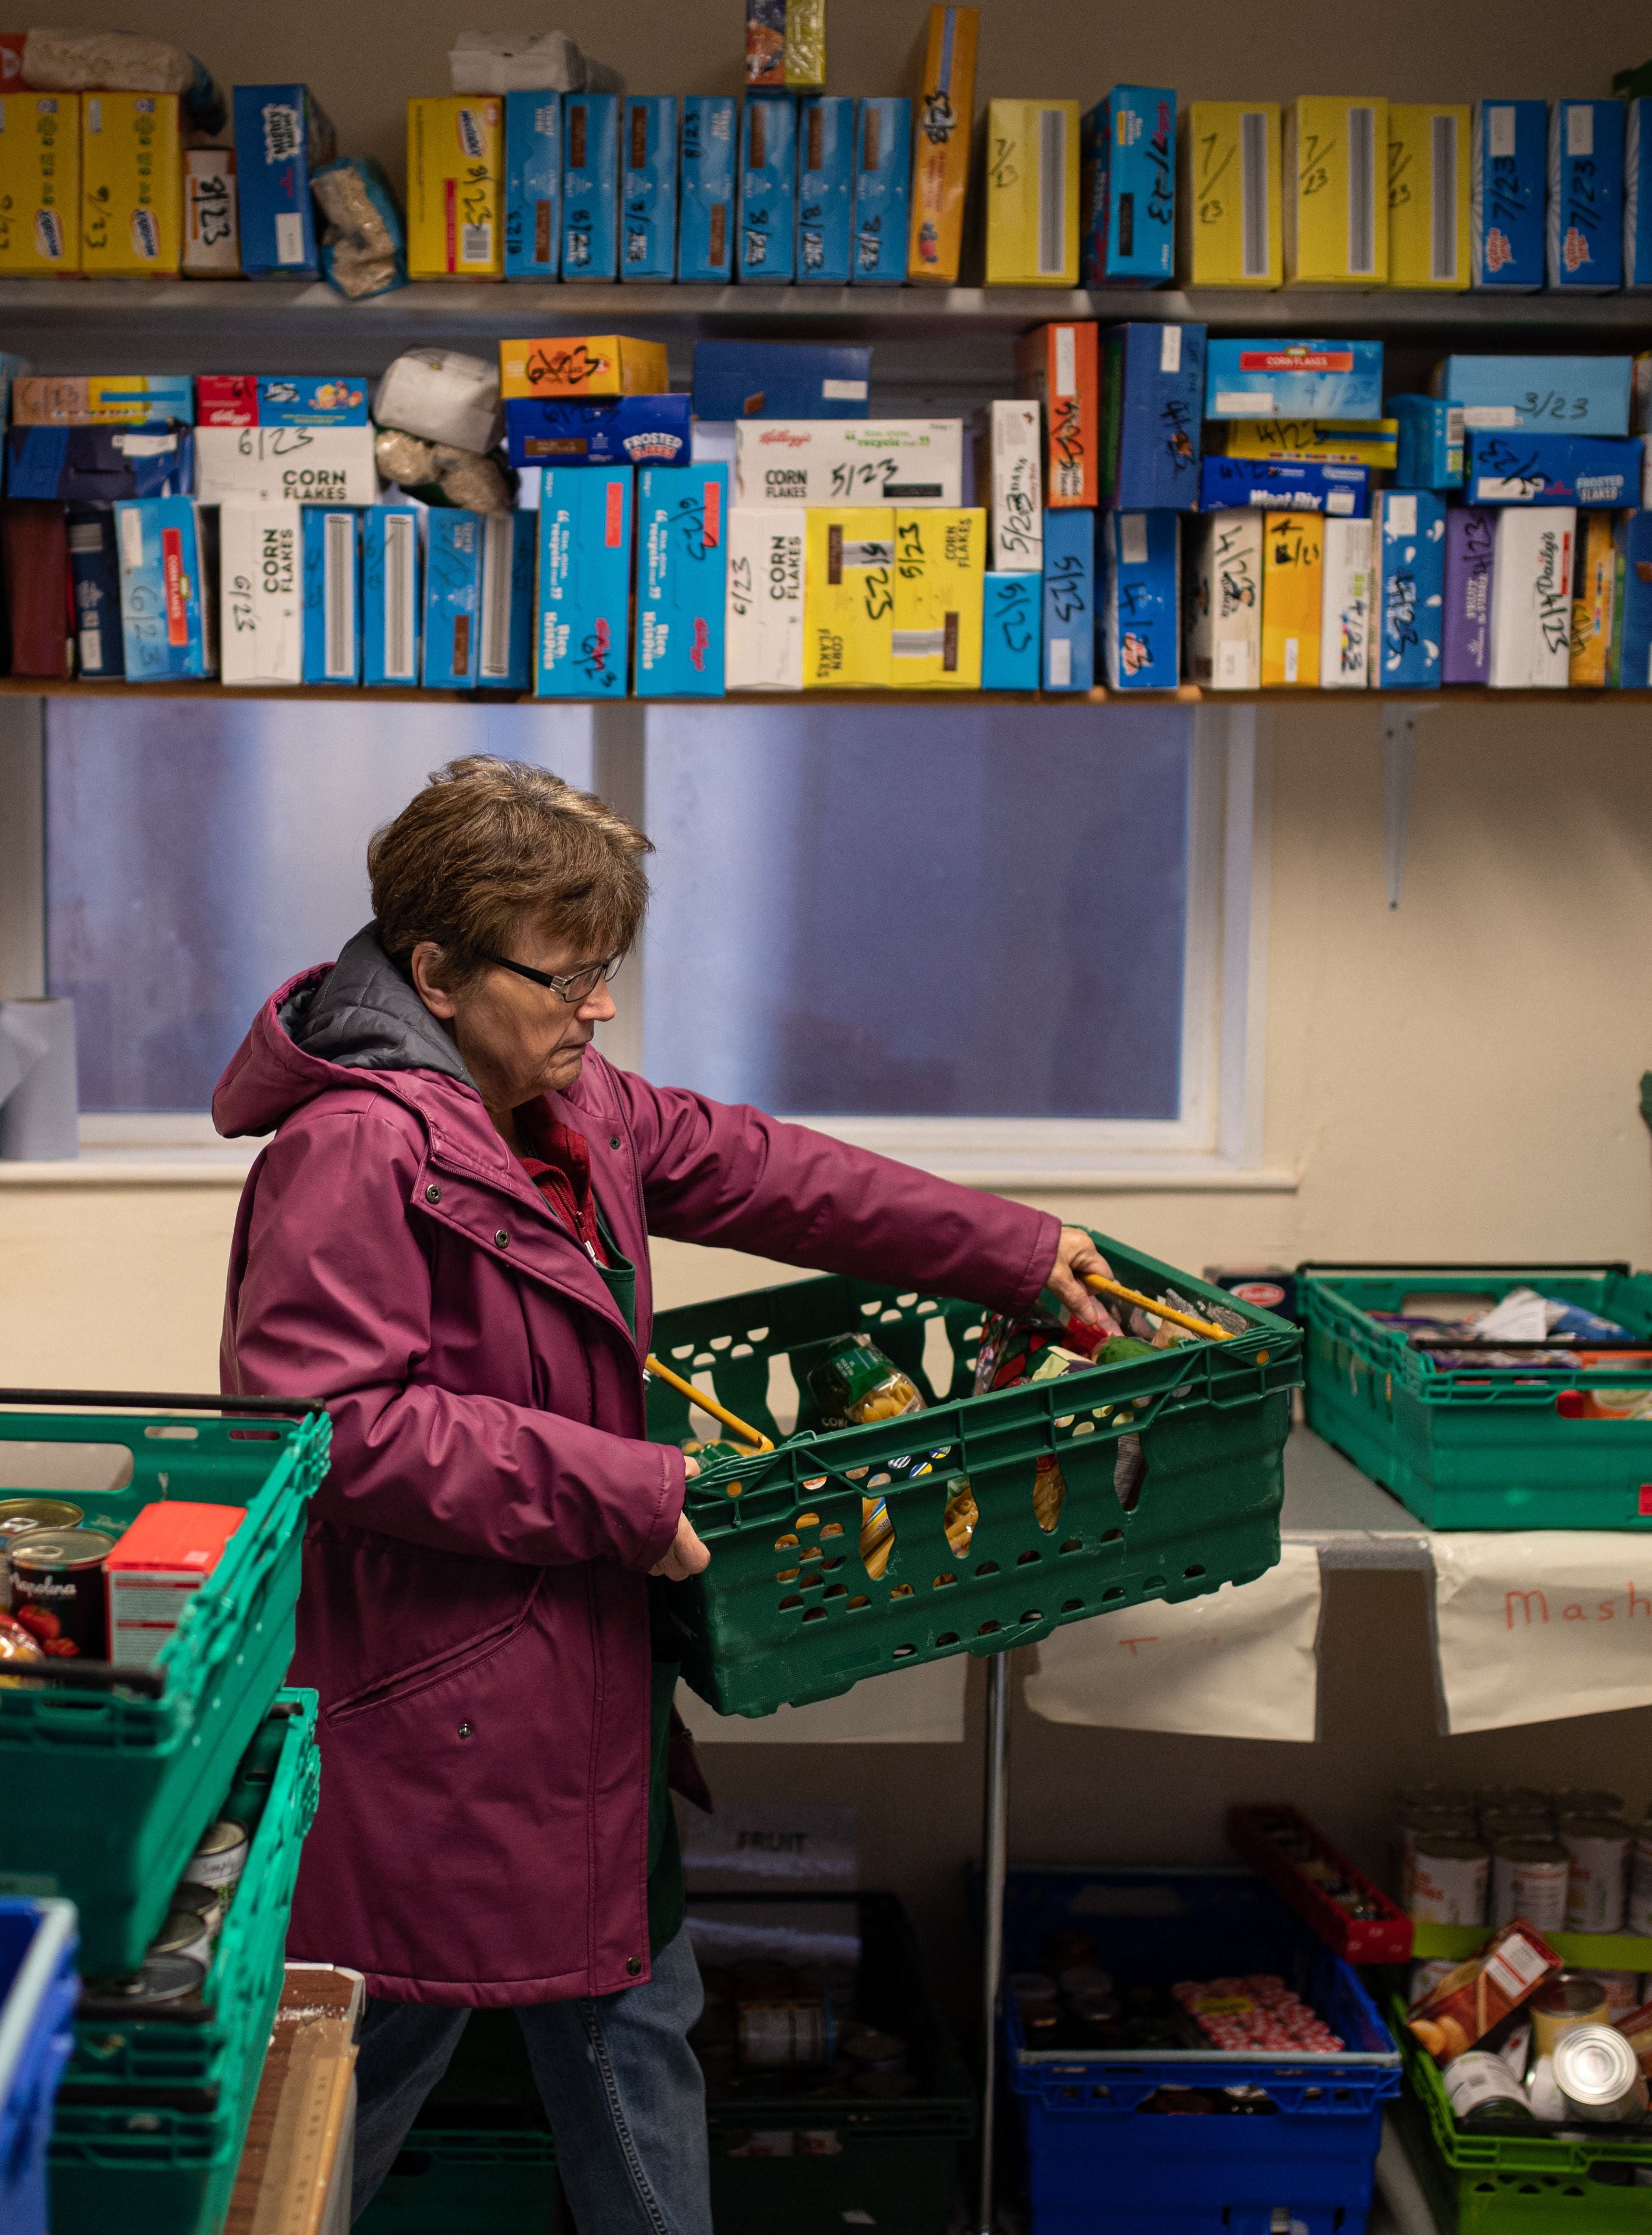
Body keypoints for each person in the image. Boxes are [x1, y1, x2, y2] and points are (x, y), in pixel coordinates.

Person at [215, 757, 1116, 2233]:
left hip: (574, 1685)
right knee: (356, 2074)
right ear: (435, 972)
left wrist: (1013, 1249)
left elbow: (774, 1172)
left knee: (616, 2037)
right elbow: (331, 1427)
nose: (601, 1009)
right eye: (566, 976)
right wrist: (627, 1489)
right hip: (445, 1714)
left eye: (606, 969)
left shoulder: (570, 1108)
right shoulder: (352, 1150)